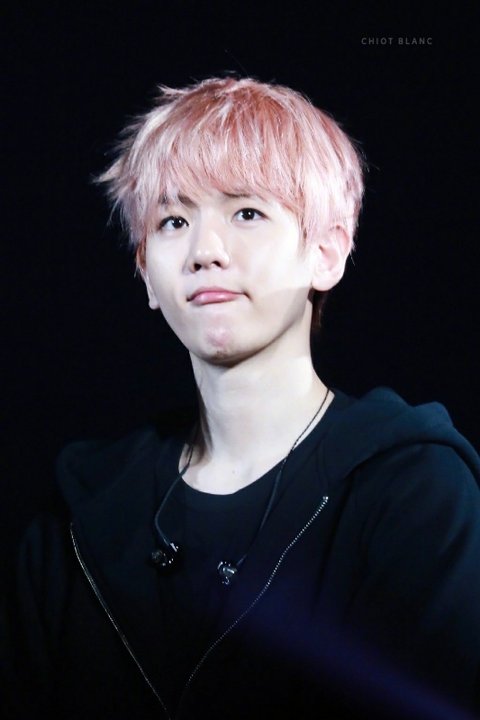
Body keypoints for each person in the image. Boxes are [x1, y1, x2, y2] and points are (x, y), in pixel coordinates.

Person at [2, 76, 480, 720]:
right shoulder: (76, 519)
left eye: (247, 213)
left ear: (327, 252)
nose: (205, 251)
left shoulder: (413, 491)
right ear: (146, 274)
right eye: (173, 221)